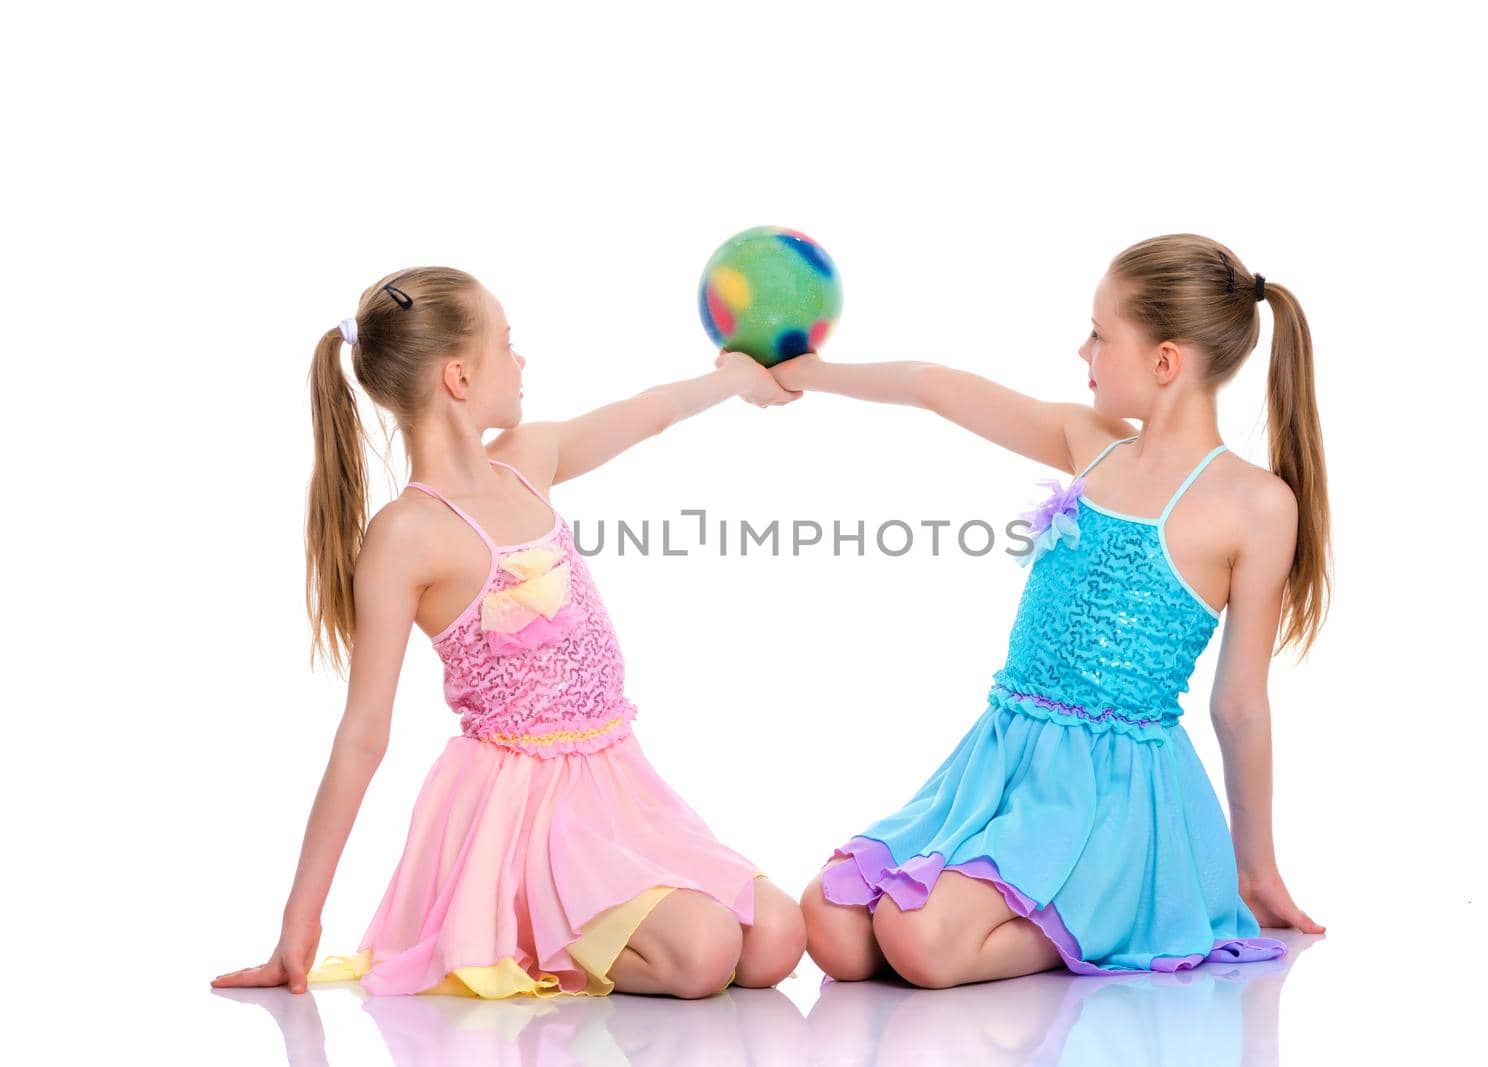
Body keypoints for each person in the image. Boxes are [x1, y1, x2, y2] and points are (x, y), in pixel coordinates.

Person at [211, 266, 807, 1000]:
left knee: (779, 934)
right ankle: (522, 927)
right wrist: (298, 924)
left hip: (617, 782)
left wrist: (739, 379)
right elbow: (363, 733)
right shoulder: (408, 535)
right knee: (704, 954)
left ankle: (621, 919)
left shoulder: (527, 460)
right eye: (507, 343)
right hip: (528, 814)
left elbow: (648, 411)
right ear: (459, 377)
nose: (521, 360)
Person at [773, 234, 1328, 988]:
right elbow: (934, 385)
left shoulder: (1255, 505)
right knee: (832, 922)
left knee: (921, 937)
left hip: (1112, 793)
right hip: (1005, 758)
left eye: (1101, 335)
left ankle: (1126, 912)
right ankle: (1016, 913)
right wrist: (807, 373)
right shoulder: (1090, 443)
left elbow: (1239, 705)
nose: (1083, 350)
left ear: (1165, 362)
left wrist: (1255, 870)